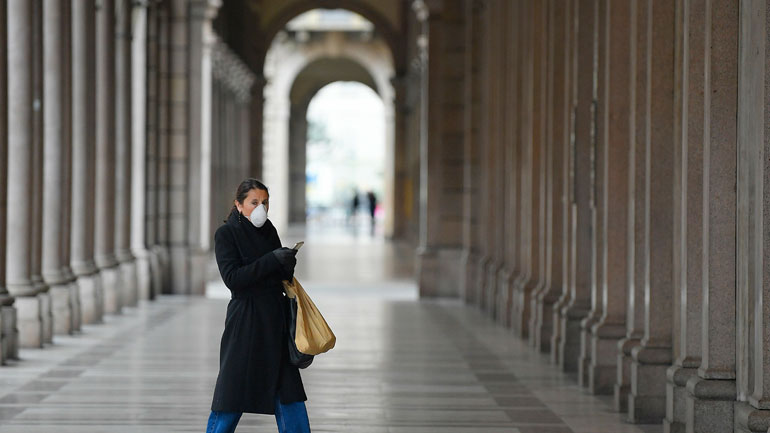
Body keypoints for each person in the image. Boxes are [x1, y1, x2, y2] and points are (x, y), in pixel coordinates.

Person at [207, 178, 311, 433]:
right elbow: (233, 279)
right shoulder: (226, 234)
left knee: (288, 393)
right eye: (254, 202)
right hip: (246, 322)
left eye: (264, 202)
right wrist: (272, 260)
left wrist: (286, 263)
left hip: (275, 321)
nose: (260, 208)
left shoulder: (269, 230)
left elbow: (277, 276)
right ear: (239, 205)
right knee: (231, 394)